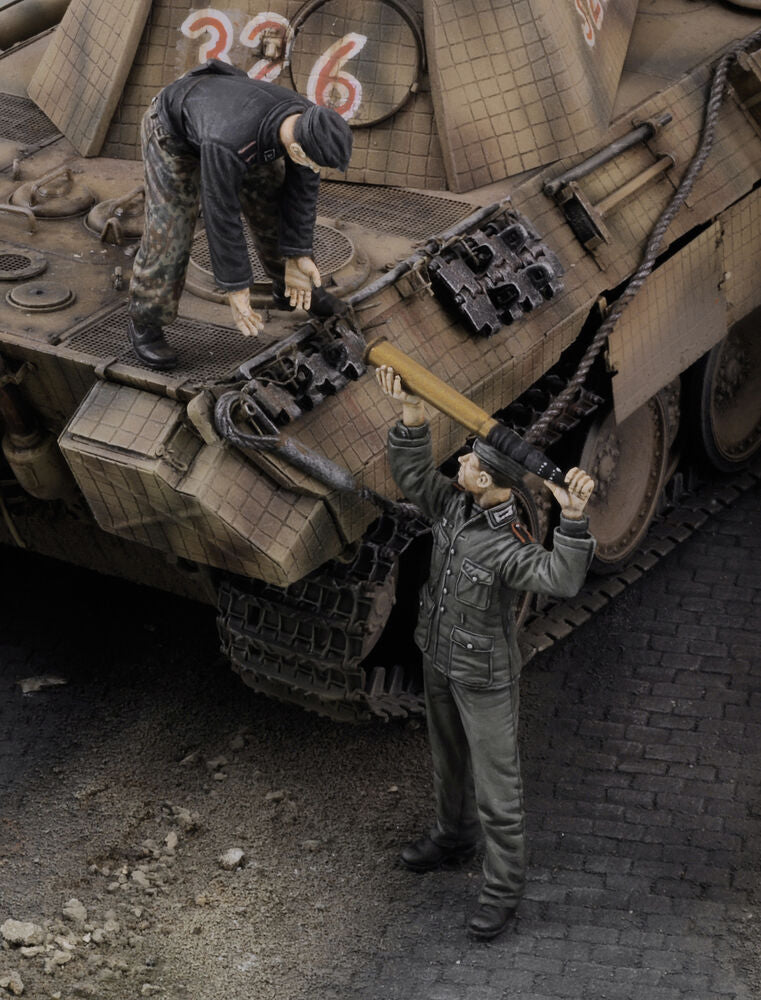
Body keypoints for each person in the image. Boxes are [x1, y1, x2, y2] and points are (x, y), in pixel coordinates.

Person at [376, 364, 596, 940]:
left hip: (486, 677)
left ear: (490, 482)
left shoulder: (507, 544)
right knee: (448, 762)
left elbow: (561, 577)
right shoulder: (454, 505)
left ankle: (502, 889)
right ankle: (452, 836)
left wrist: (571, 519)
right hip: (439, 658)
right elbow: (411, 476)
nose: (461, 465)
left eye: (471, 463)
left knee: (499, 790)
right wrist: (412, 418)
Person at [127, 59, 353, 370]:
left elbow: (301, 197)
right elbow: (222, 213)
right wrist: (236, 287)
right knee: (171, 231)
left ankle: (289, 286)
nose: (316, 170)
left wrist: (298, 256)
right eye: (315, 164)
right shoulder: (228, 141)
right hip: (172, 132)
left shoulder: (307, 122)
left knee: (273, 200)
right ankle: (146, 322)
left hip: (235, 125)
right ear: (298, 151)